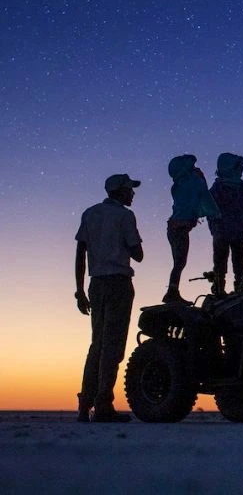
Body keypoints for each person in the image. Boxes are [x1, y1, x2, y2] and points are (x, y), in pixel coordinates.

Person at [74, 174, 143, 423]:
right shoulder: (125, 216)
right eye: (130, 190)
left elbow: (80, 253)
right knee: (112, 345)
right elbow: (139, 254)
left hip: (96, 284)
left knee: (97, 345)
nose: (133, 194)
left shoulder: (90, 214)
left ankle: (85, 405)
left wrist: (79, 290)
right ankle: (103, 405)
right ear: (121, 192)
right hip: (118, 284)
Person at [164, 154, 219, 305]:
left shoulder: (179, 185)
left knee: (179, 262)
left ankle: (172, 291)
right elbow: (204, 195)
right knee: (180, 262)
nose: (196, 168)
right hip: (179, 228)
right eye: (192, 166)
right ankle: (171, 293)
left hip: (174, 227)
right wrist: (216, 212)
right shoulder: (192, 183)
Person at [208, 152, 243, 295]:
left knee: (239, 260)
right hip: (222, 231)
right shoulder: (217, 189)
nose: (241, 171)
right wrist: (214, 226)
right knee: (220, 260)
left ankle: (240, 283)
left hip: (238, 231)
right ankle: (219, 286)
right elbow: (210, 210)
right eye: (238, 167)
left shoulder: (242, 188)